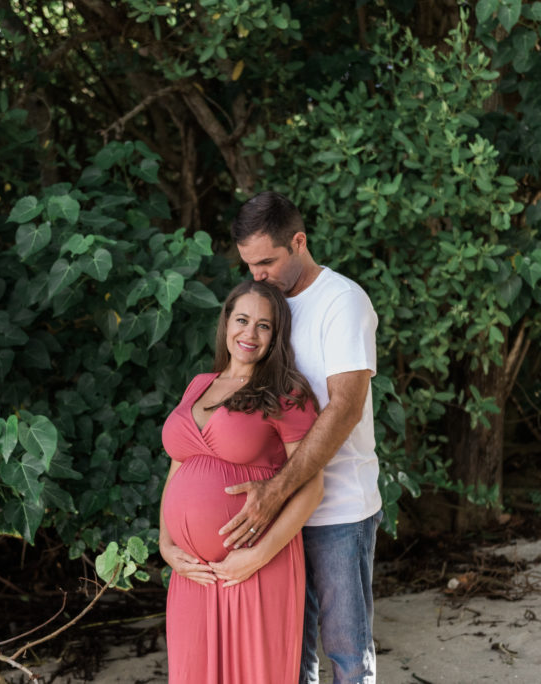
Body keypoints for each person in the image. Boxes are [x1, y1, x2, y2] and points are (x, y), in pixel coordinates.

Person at [220, 191, 383, 684]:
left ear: (299, 241)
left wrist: (275, 490)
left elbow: (346, 408)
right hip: (281, 509)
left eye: (267, 261)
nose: (258, 275)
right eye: (249, 265)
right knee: (288, 650)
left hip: (338, 511)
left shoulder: (342, 301)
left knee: (347, 652)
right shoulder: (264, 306)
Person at [159, 279, 324, 683]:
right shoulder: (199, 385)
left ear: (276, 335)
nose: (250, 334)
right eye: (243, 320)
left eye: (264, 326)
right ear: (226, 322)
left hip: (253, 567)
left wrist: (258, 555)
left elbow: (312, 486)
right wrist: (166, 545)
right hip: (192, 573)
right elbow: (177, 469)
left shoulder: (286, 393)